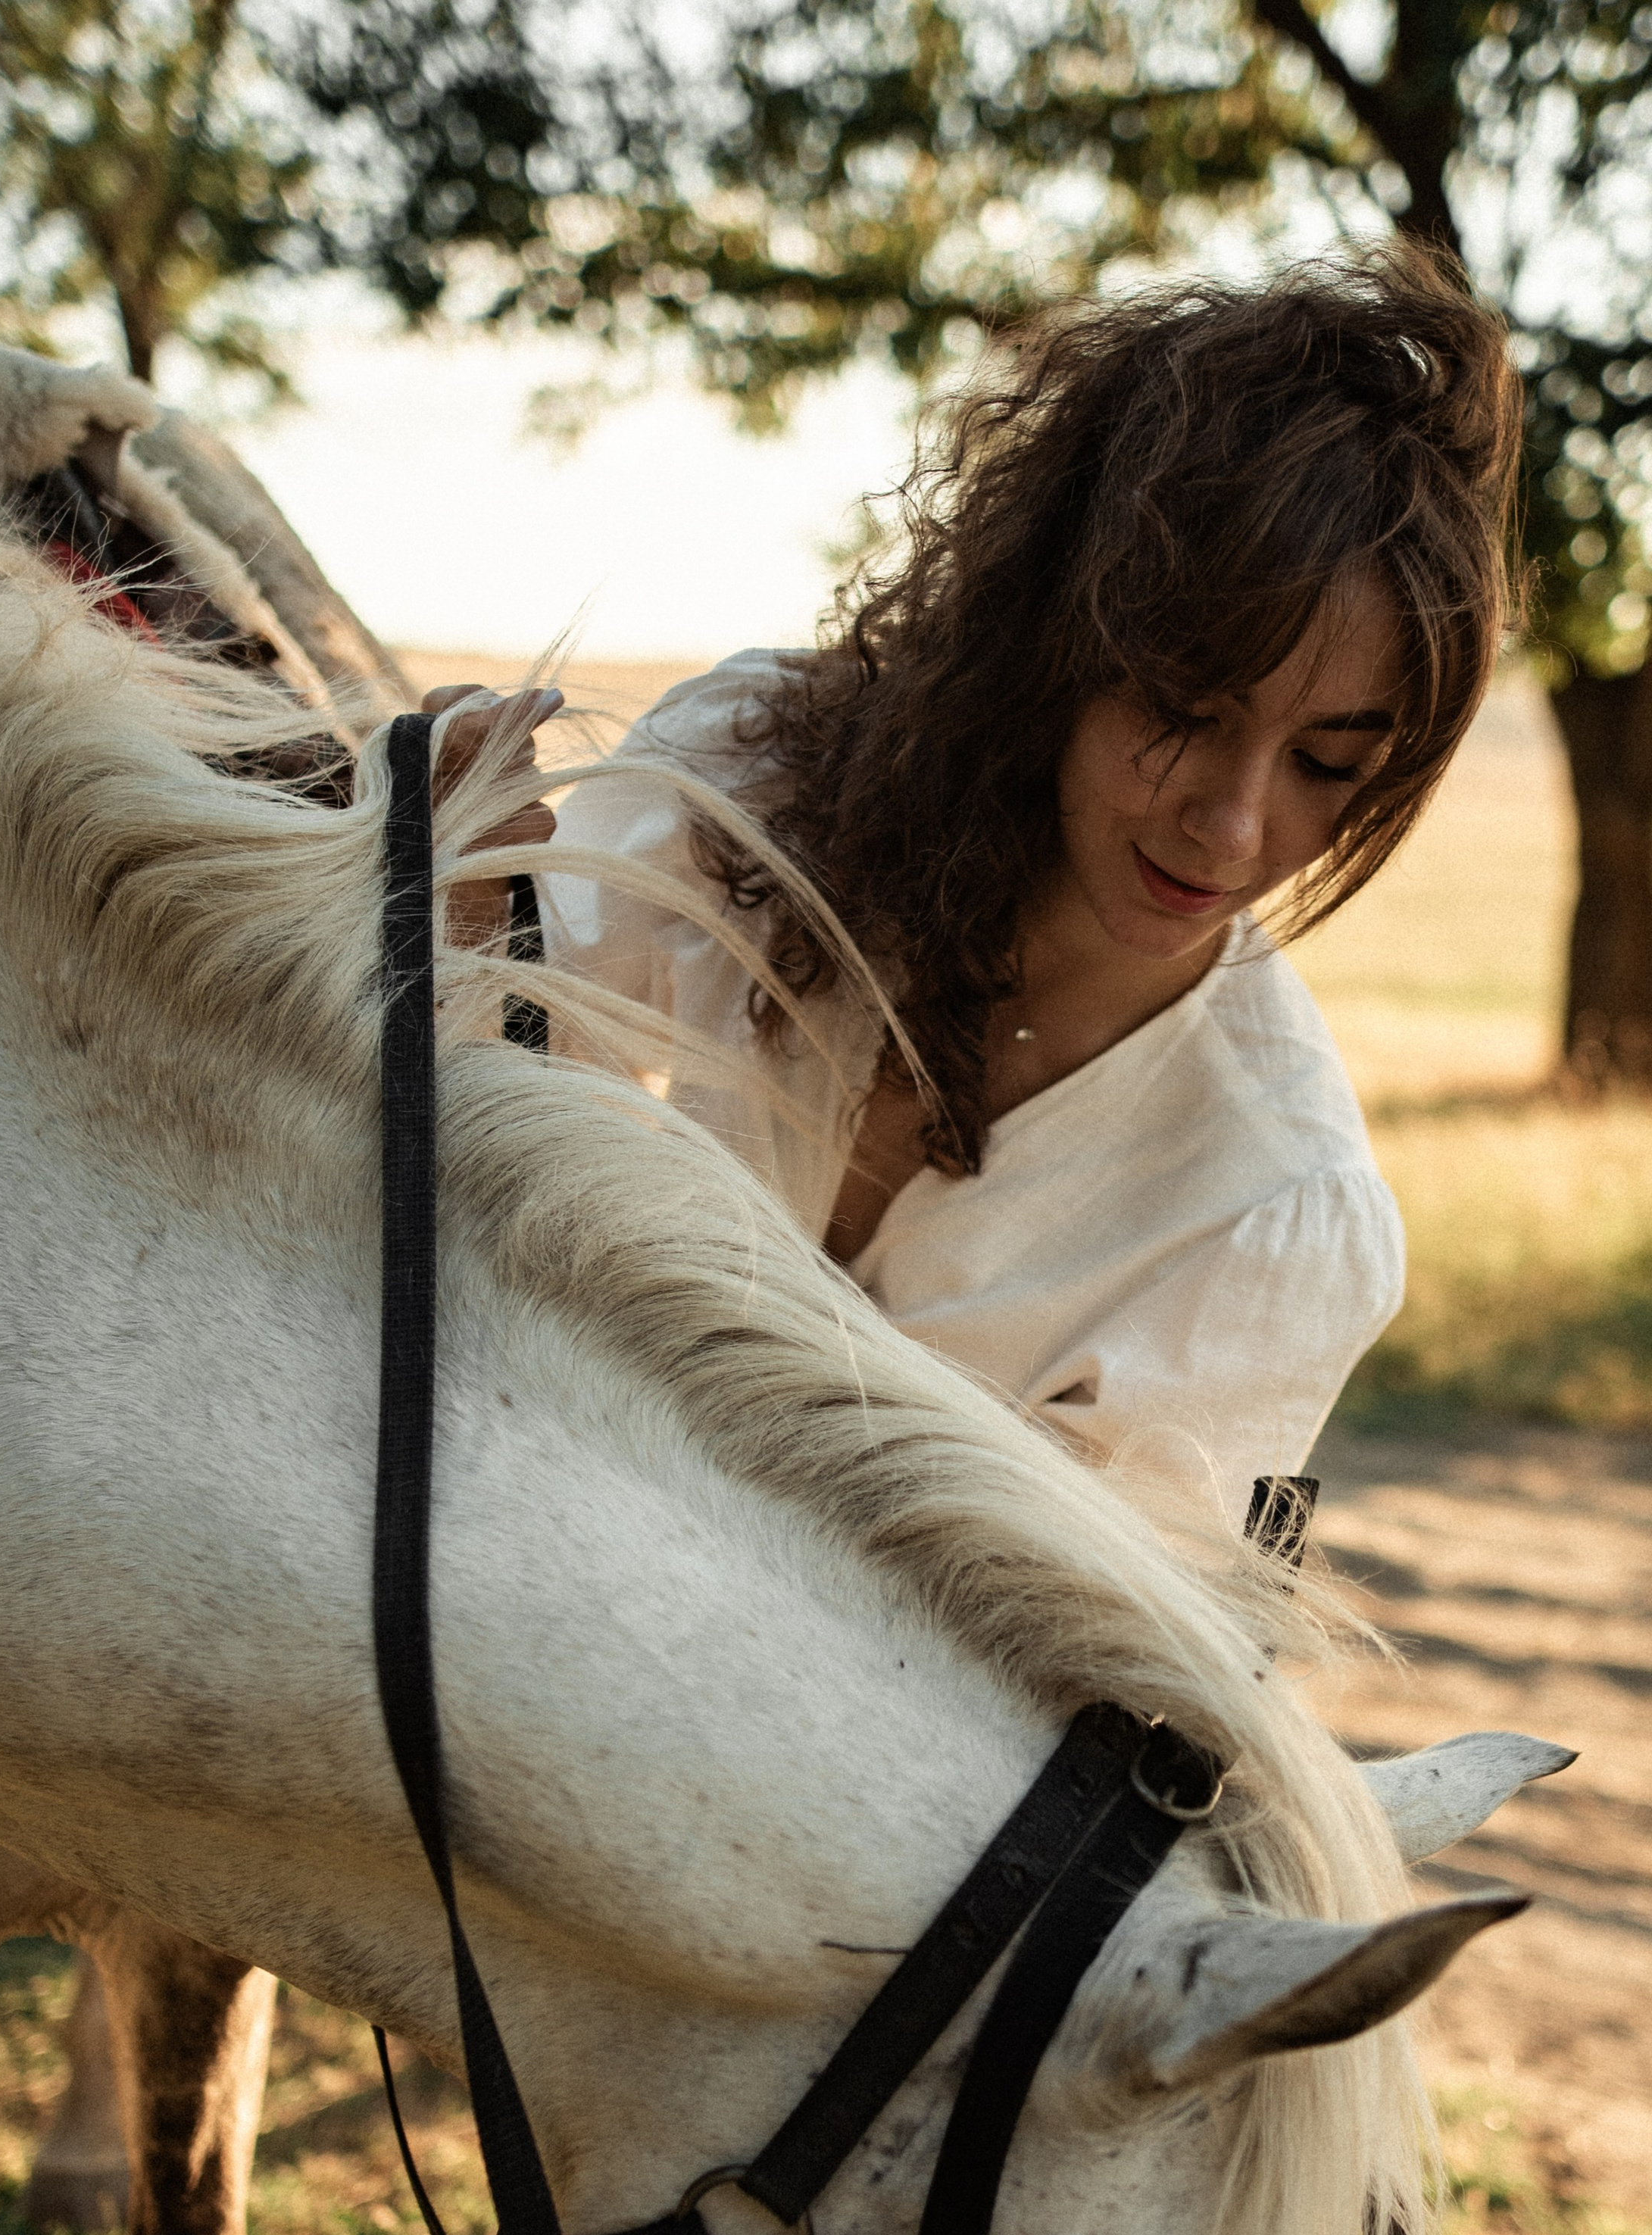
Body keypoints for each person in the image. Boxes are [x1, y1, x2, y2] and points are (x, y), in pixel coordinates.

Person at [434, 247, 1521, 1522]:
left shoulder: (1271, 1212)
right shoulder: (744, 785)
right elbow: (487, 1154)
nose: (1233, 829)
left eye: (1328, 764)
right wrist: (460, 915)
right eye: (1181, 710)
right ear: (1056, 633)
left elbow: (1052, 1664)